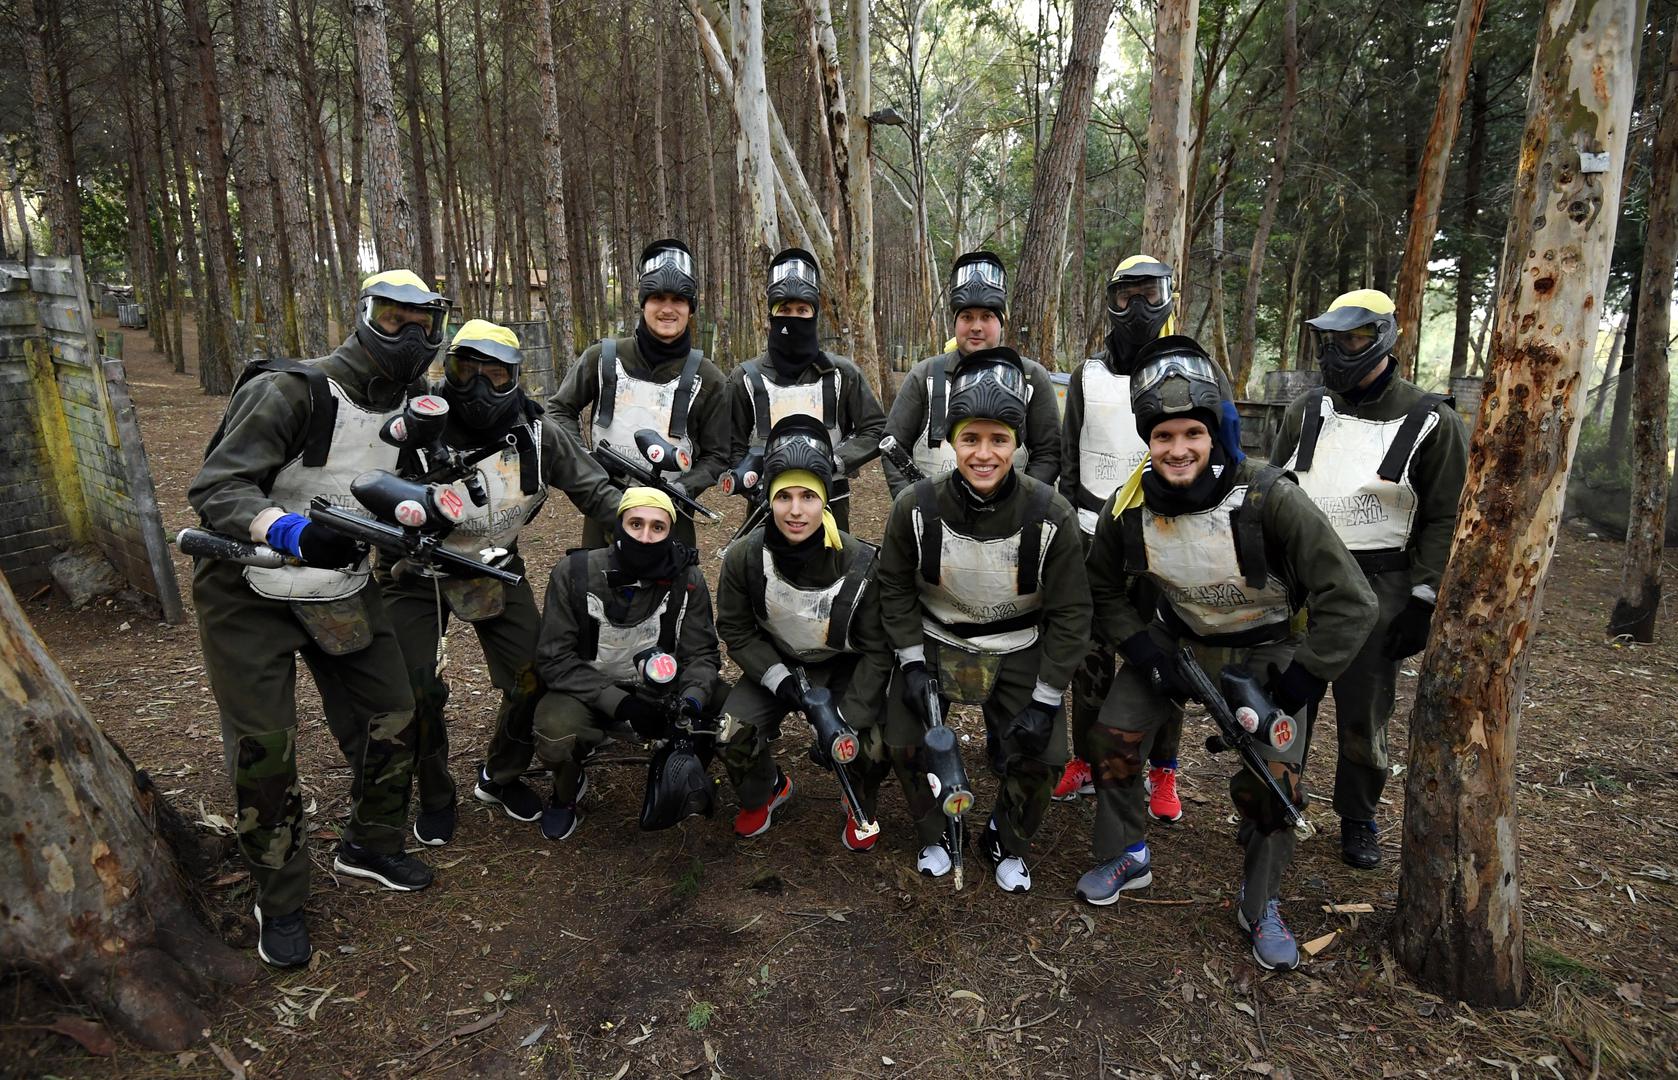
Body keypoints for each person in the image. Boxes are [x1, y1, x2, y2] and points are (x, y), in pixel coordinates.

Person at [1078, 335, 1376, 972]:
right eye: (1162, 437)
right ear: (1146, 441)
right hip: (1178, 646)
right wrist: (1139, 643)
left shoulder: (1270, 497)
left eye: (1192, 433)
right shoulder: (1128, 506)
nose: (1177, 449)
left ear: (1215, 433)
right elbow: (1100, 587)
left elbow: (1351, 600)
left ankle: (1260, 900)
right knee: (1111, 737)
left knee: (1275, 780)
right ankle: (1127, 854)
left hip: (1268, 652)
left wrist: (1296, 685)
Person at [187, 269, 449, 967]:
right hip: (248, 586)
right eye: (394, 319)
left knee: (395, 714)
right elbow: (217, 487)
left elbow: (403, 487)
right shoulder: (293, 388)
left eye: (423, 322)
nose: (410, 336)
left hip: (340, 586)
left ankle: (372, 844)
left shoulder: (418, 407)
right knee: (265, 749)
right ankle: (280, 898)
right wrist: (290, 532)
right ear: (365, 316)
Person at [375, 319, 625, 846]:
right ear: (449, 370)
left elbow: (595, 490)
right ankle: (436, 793)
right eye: (467, 371)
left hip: (490, 564)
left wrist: (644, 528)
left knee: (532, 674)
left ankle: (501, 775)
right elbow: (361, 487)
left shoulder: (539, 435)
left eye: (496, 374)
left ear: (516, 377)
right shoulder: (419, 423)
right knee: (415, 688)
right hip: (412, 569)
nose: (479, 387)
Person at [876, 346, 1091, 893]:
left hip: (1017, 645)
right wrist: (909, 660)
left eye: (998, 440)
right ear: (951, 442)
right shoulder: (915, 507)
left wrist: (1046, 697)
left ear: (1016, 444)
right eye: (970, 439)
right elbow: (895, 587)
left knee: (1043, 756)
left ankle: (1007, 835)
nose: (984, 454)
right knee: (903, 740)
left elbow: (1071, 614)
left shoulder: (1051, 513)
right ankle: (936, 830)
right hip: (935, 638)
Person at [1271, 289, 1468, 869]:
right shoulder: (1305, 410)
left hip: (1380, 587)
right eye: (1329, 340)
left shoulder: (1433, 419)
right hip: (1301, 584)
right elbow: (1274, 491)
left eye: (1352, 339)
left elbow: (1444, 515)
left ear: (1383, 338)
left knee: (1364, 711)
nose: (1337, 352)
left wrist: (1424, 599)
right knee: (1286, 701)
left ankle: (1358, 816)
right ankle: (1278, 798)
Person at [715, 415, 893, 845]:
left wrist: (842, 719)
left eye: (809, 497)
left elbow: (877, 650)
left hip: (842, 670)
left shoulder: (862, 564)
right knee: (730, 730)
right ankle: (767, 790)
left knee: (869, 745)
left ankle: (859, 801)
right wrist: (780, 683)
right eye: (785, 497)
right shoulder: (743, 557)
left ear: (826, 501)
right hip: (776, 665)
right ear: (769, 501)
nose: (796, 511)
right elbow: (735, 630)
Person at [1054, 255, 1188, 821]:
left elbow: (1210, 452)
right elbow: (1066, 455)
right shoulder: (1086, 375)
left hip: (1166, 541)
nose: (1136, 308)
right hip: (1091, 538)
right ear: (1110, 302)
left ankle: (1163, 771)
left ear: (1166, 301)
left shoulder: (1187, 369)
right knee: (1089, 655)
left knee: (1165, 654)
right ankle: (1085, 757)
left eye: (1149, 295)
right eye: (1125, 296)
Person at [528, 488, 726, 839]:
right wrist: (621, 704)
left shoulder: (687, 579)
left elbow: (702, 654)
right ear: (618, 526)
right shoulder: (574, 574)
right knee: (557, 732)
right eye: (635, 524)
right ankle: (565, 791)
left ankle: (694, 777)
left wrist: (692, 701)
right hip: (587, 690)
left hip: (662, 689)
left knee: (731, 716)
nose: (645, 537)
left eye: (657, 528)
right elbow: (555, 659)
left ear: (671, 533)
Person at [550, 239, 730, 549]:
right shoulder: (602, 358)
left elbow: (718, 455)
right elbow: (558, 411)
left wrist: (684, 491)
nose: (668, 309)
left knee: (674, 595)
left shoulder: (709, 378)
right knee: (599, 588)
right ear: (643, 303)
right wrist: (588, 468)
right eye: (658, 298)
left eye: (678, 300)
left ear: (691, 309)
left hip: (671, 515)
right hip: (606, 510)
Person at [726, 248, 887, 532]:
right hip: (765, 506)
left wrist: (835, 461)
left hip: (832, 506)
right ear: (771, 316)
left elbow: (875, 430)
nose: (793, 318)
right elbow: (730, 443)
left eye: (802, 310)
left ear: (815, 314)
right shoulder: (746, 378)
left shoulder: (841, 374)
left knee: (832, 574)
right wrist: (749, 478)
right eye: (785, 310)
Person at [882, 251, 1062, 498]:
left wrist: (1022, 506)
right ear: (955, 322)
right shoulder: (924, 376)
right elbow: (894, 447)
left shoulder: (1031, 377)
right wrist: (912, 504)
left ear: (1002, 322)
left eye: (987, 316)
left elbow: (1049, 452)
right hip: (932, 517)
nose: (976, 326)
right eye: (967, 317)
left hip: (1010, 522)